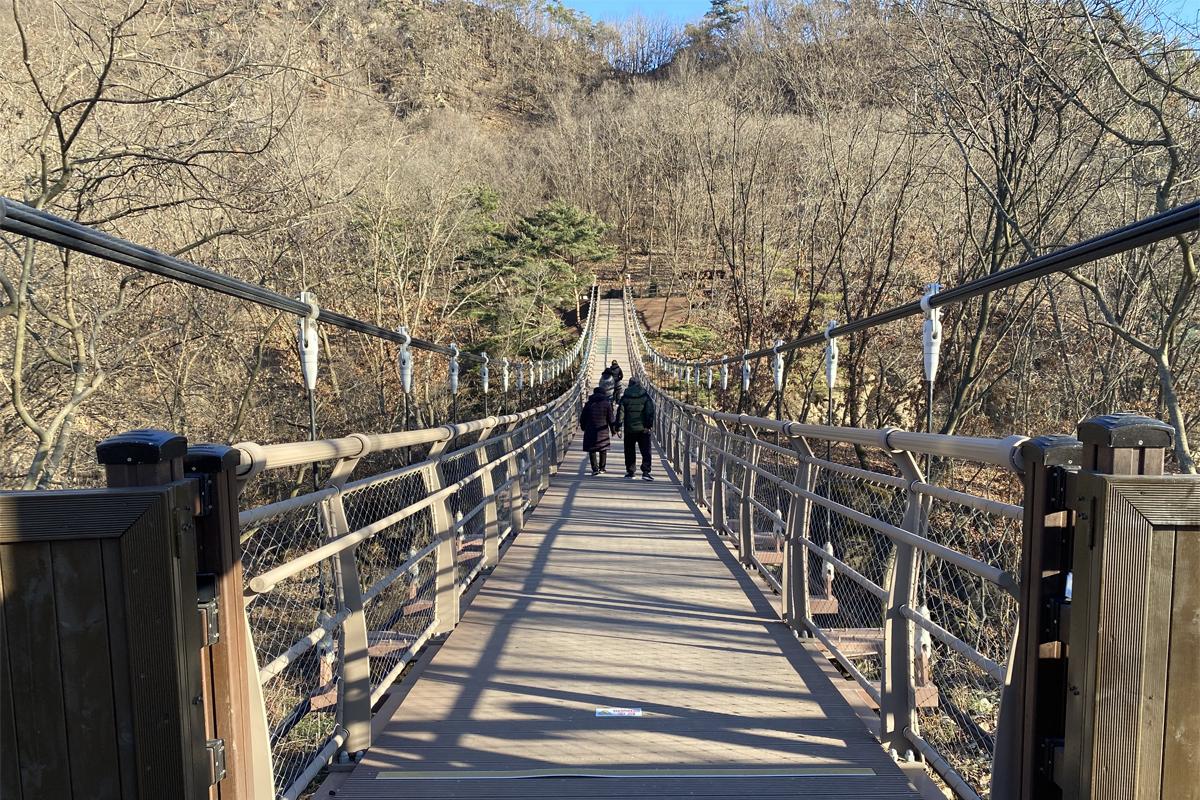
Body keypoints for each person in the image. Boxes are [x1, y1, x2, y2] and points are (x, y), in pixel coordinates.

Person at [619, 377, 655, 480]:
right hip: (643, 429)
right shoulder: (645, 396)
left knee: (629, 450)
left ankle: (631, 472)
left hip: (629, 429)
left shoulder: (625, 397)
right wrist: (648, 425)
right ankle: (646, 472)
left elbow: (620, 412)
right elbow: (650, 412)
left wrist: (618, 426)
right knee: (646, 451)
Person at [580, 385, 615, 475]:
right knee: (603, 449)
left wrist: (583, 427)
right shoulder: (607, 403)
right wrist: (613, 430)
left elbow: (583, 417)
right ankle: (602, 468)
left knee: (592, 449)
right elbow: (611, 418)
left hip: (590, 429)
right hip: (602, 430)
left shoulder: (588, 404)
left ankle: (595, 469)